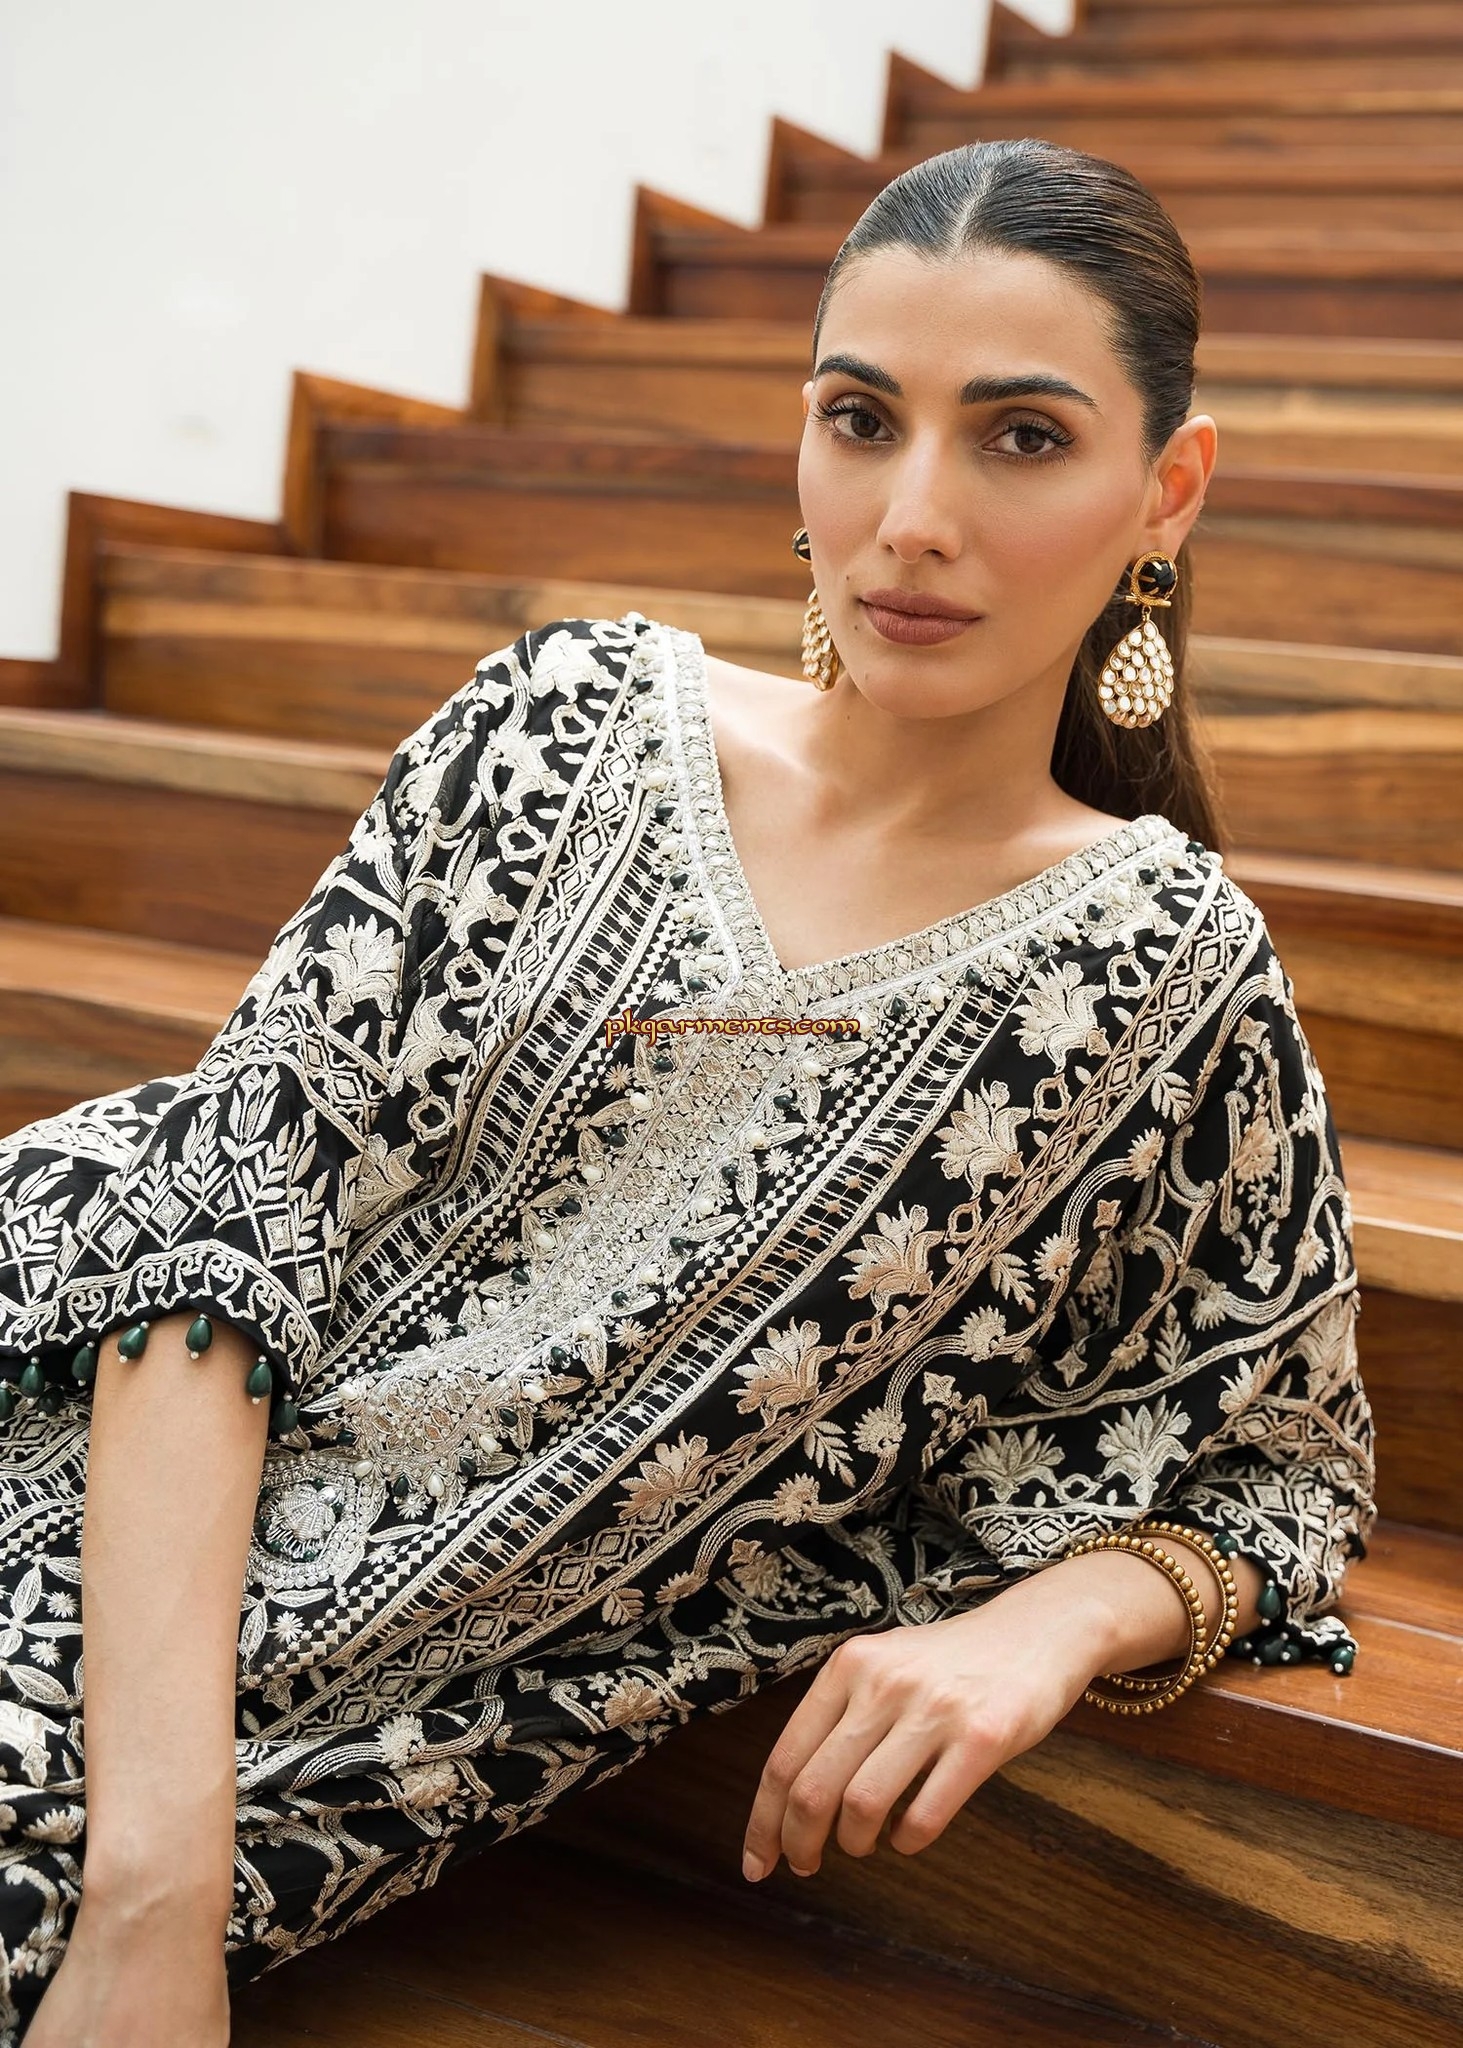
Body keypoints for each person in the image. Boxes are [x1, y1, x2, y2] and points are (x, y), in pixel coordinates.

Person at [0, 137, 1375, 2044]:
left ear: (1170, 490)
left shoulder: (1161, 978)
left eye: (1022, 438)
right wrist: (151, 1896)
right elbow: (211, 1218)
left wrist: (1051, 1619)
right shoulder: (558, 724)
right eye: (859, 419)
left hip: (336, 1749)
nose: (910, 518)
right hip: (108, 1546)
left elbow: (1280, 1467)